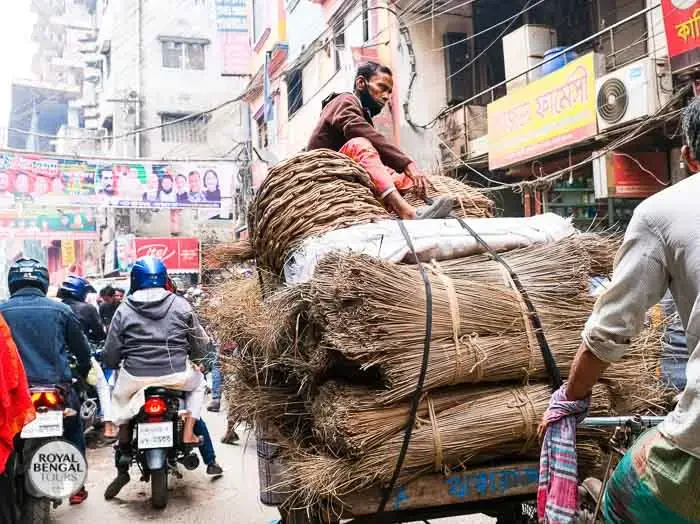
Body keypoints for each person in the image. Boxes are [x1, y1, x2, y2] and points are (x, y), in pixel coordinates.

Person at [540, 98, 700, 523]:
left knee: (620, 502)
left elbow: (609, 332)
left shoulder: (662, 211)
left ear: (687, 156)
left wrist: (567, 400)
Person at [103, 256, 209, 499]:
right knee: (199, 385)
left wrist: (112, 362)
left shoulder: (124, 308)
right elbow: (200, 345)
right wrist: (198, 358)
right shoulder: (181, 305)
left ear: (135, 279)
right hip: (176, 376)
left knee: (123, 403)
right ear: (163, 277)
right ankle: (188, 432)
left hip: (135, 377)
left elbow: (111, 353)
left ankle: (123, 451)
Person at [308, 62, 454, 220]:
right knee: (361, 145)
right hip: (324, 172)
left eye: (390, 92)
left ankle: (429, 205)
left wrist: (405, 169)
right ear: (361, 83)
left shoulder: (363, 114)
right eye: (382, 87)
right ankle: (407, 212)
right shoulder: (344, 100)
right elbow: (355, 129)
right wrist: (407, 164)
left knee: (393, 172)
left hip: (347, 172)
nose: (386, 96)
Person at [0, 259, 92, 505]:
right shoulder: (61, 310)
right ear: (42, 281)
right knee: (73, 429)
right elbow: (82, 351)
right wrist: (83, 371)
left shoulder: (1, 310)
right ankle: (76, 488)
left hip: (14, 390)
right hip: (56, 388)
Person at [57, 275, 106, 342]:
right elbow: (100, 333)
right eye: (86, 293)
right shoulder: (88, 308)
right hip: (79, 348)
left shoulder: (56, 307)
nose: (85, 296)